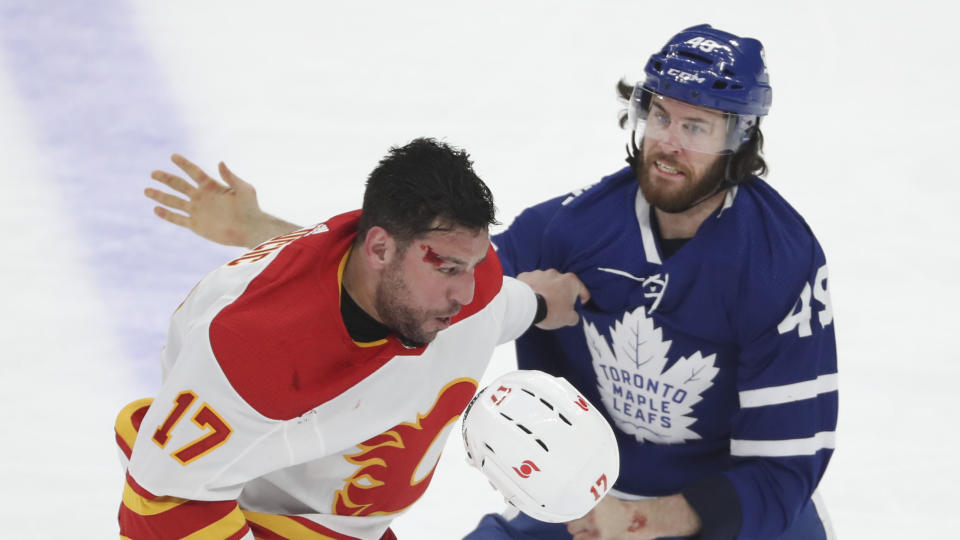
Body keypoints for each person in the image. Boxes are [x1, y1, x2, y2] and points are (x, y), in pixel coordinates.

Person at [145, 24, 838, 540]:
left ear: (742, 142)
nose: (670, 143)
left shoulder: (780, 266)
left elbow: (783, 473)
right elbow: (425, 284)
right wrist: (262, 228)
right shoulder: (572, 229)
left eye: (698, 127)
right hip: (576, 508)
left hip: (707, 519)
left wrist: (646, 519)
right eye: (660, 116)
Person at [117, 137, 590, 540]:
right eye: (447, 268)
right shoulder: (253, 353)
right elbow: (161, 504)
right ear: (381, 247)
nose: (466, 292)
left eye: (474, 263)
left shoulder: (469, 286)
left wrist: (545, 302)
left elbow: (501, 303)